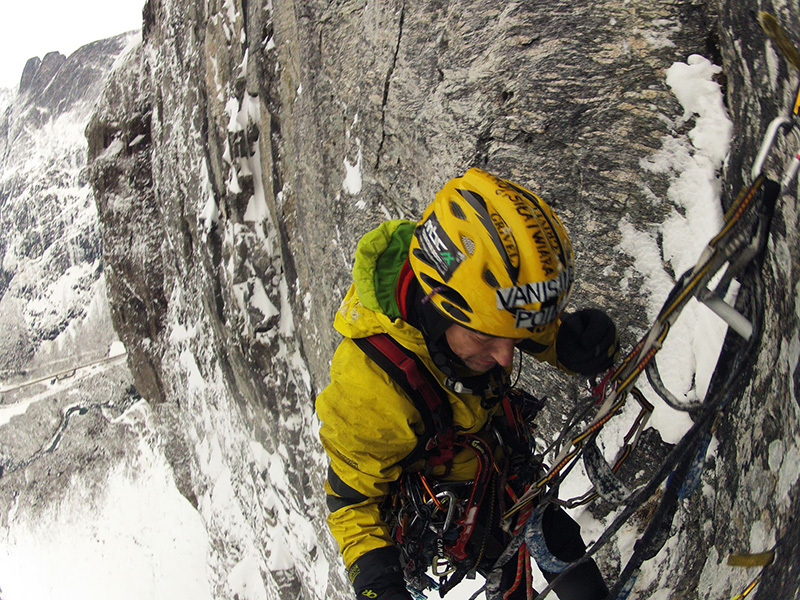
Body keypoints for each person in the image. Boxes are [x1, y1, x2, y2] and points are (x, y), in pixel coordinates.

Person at [315, 168, 617, 600]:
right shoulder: (369, 387)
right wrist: (377, 584)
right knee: (510, 575)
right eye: (485, 338)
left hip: (505, 473)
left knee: (558, 541)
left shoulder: (470, 287)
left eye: (512, 337)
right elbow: (352, 503)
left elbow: (511, 322)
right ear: (436, 313)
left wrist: (569, 345)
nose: (506, 357)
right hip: (458, 514)